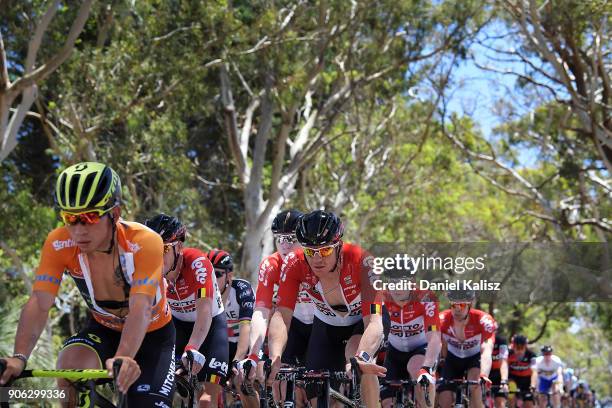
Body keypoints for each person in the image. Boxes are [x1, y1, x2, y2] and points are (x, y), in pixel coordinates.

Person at [0, 162, 176, 407]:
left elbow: (141, 307)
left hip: (153, 335)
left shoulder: (145, 241)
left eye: (90, 217)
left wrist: (124, 356)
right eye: (70, 218)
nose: (78, 230)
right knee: (70, 368)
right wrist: (19, 358)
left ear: (114, 214)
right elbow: (40, 304)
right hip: (103, 328)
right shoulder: (59, 243)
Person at [267, 210, 386, 408]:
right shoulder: (294, 263)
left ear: (338, 245)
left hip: (362, 323)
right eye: (310, 251)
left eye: (325, 251)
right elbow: (282, 316)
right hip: (327, 324)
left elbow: (374, 323)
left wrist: (362, 356)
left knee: (357, 360)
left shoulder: (363, 261)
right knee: (317, 391)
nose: (317, 259)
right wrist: (275, 357)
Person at [146, 214, 228, 408]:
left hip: (211, 326)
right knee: (162, 391)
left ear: (179, 247)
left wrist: (192, 347)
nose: (155, 256)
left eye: (163, 249)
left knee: (206, 401)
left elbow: (204, 311)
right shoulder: (149, 270)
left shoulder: (197, 263)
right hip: (177, 326)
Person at [238, 209, 313, 406]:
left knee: (317, 392)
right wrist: (253, 353)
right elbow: (261, 312)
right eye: (280, 239)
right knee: (279, 387)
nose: (285, 245)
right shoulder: (271, 265)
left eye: (291, 238)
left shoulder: (316, 261)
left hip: (321, 325)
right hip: (292, 326)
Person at [379, 273, 441, 408]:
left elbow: (434, 337)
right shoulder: (380, 297)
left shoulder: (426, 297)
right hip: (393, 353)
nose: (395, 288)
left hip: (421, 350)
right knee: (388, 403)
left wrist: (427, 367)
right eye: (392, 282)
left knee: (417, 370)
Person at [210, 249, 257, 407]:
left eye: (217, 274)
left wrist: (237, 361)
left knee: (241, 381)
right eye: (208, 274)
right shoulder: (204, 293)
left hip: (247, 343)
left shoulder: (241, 289)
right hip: (223, 345)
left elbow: (246, 329)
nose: (212, 279)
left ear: (229, 275)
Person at [438, 289, 496, 408]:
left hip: (473, 359)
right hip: (452, 360)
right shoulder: (442, 319)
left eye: (462, 305)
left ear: (470, 305)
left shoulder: (483, 320)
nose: (457, 308)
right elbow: (438, 344)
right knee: (444, 400)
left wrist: (484, 374)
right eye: (454, 304)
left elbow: (487, 350)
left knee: (475, 388)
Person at [507, 335, 537, 408]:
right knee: (511, 396)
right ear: (513, 346)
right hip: (513, 378)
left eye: (522, 348)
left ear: (525, 346)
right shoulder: (509, 353)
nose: (519, 350)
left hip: (527, 380)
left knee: (528, 404)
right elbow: (504, 368)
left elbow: (534, 371)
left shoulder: (532, 355)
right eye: (517, 348)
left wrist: (533, 385)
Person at [490, 330, 510, 408]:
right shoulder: (480, 338)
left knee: (500, 403)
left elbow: (504, 362)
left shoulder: (501, 341)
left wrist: (504, 381)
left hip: (498, 374)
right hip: (485, 373)